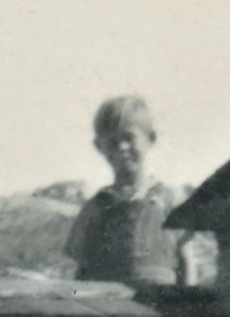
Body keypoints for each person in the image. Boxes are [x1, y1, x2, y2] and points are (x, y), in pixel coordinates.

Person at [64, 95, 178, 284]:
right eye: (112, 141)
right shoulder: (97, 207)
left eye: (129, 137)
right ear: (100, 146)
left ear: (151, 138)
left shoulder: (168, 200)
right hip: (110, 307)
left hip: (160, 306)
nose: (122, 147)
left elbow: (186, 260)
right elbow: (81, 271)